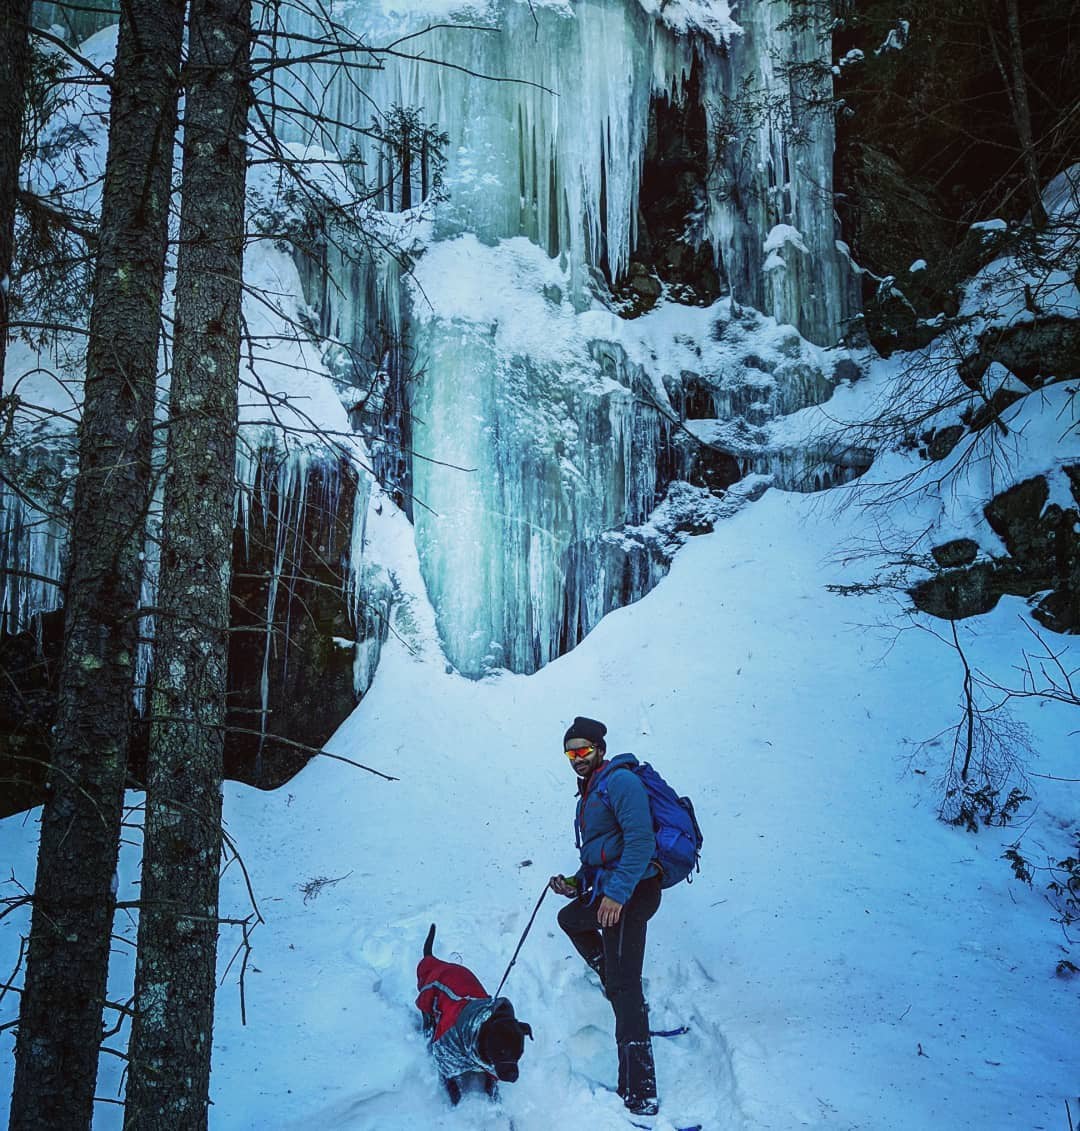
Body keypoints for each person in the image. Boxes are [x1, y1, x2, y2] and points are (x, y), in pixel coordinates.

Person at [549, 715, 662, 1117]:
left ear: (599, 748)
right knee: (570, 919)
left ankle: (641, 1093)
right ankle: (614, 983)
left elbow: (641, 842)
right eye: (570, 752)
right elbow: (601, 856)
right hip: (613, 890)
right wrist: (574, 882)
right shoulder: (591, 792)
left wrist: (616, 894)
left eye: (583, 749)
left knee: (626, 986)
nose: (577, 758)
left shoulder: (620, 781)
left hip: (634, 892)